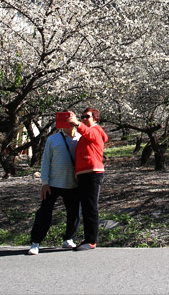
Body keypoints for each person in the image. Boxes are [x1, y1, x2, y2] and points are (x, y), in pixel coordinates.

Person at [27, 119, 81, 255]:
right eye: (66, 118)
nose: (69, 121)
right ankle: (36, 242)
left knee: (74, 212)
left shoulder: (81, 138)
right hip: (53, 183)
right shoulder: (53, 139)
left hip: (73, 183)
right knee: (44, 213)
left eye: (71, 118)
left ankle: (69, 238)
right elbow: (46, 161)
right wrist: (44, 182)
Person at [68, 107, 108, 251]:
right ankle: (88, 239)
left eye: (87, 116)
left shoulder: (96, 130)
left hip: (93, 173)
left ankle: (91, 240)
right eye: (82, 116)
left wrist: (77, 123)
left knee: (90, 207)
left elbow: (88, 132)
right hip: (85, 174)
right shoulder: (85, 134)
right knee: (86, 207)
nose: (84, 119)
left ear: (95, 118)